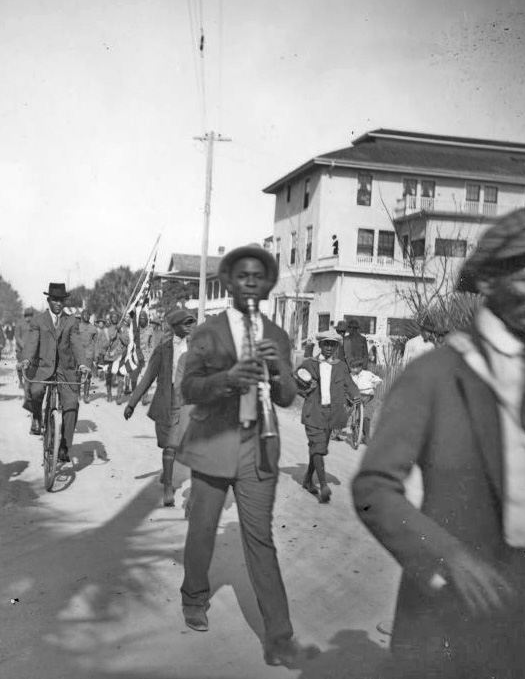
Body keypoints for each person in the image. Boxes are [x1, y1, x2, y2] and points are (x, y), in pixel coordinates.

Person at [351, 208, 525, 679]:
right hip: (463, 606)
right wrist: (449, 558)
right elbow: (374, 489)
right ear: (488, 282)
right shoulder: (435, 373)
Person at [176, 244, 320, 668]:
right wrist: (227, 378)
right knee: (203, 527)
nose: (252, 283)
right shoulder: (206, 333)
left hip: (258, 447)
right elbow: (189, 389)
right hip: (213, 441)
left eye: (259, 277)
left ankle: (279, 637)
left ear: (267, 283)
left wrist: (281, 373)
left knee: (260, 540)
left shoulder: (276, 334)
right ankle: (194, 598)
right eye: (243, 276)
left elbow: (289, 397)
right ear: (230, 283)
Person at [124, 308, 196, 507]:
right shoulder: (163, 349)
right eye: (186, 323)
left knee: (186, 443)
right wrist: (132, 403)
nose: (190, 326)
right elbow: (148, 377)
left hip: (189, 400)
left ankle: (168, 474)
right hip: (169, 400)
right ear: (175, 327)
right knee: (170, 444)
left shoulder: (197, 347)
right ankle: (168, 489)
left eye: (191, 323)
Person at [21, 282, 91, 462]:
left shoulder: (71, 321)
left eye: (61, 300)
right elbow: (31, 343)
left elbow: (76, 344)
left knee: (72, 404)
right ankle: (37, 415)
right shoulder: (38, 320)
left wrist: (83, 364)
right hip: (43, 367)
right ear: (49, 300)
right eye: (55, 300)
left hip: (65, 371)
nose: (58, 303)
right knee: (35, 391)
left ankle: (65, 447)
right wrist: (26, 359)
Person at [294, 330, 359, 503]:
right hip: (313, 412)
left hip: (331, 414)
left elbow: (349, 383)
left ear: (337, 347)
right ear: (320, 345)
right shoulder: (308, 364)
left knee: (318, 449)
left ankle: (308, 480)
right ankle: (323, 486)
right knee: (317, 447)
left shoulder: (341, 366)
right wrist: (306, 389)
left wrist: (356, 394)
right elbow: (297, 383)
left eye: (333, 344)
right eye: (326, 344)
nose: (329, 347)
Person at [348, 359, 383, 446]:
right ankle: (354, 430)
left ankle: (366, 437)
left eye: (356, 367)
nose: (354, 369)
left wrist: (375, 384)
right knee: (354, 414)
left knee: (366, 417)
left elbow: (379, 380)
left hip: (369, 398)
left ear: (360, 367)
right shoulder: (350, 376)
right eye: (352, 367)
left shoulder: (367, 374)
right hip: (357, 396)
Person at [100, 311, 131, 402]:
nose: (114, 318)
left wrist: (120, 333)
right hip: (109, 356)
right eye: (112, 317)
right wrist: (111, 339)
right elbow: (103, 346)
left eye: (116, 317)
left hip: (120, 355)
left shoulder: (123, 329)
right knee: (108, 376)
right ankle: (109, 394)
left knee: (121, 376)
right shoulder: (106, 330)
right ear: (110, 318)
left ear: (118, 318)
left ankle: (119, 396)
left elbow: (127, 342)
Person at [15, 307, 35, 387]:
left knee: (29, 366)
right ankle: (20, 382)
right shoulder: (19, 323)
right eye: (27, 316)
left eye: (30, 316)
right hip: (20, 349)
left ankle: (28, 381)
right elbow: (17, 336)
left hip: (31, 349)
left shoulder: (34, 324)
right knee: (20, 366)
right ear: (24, 316)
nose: (29, 318)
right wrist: (23, 345)